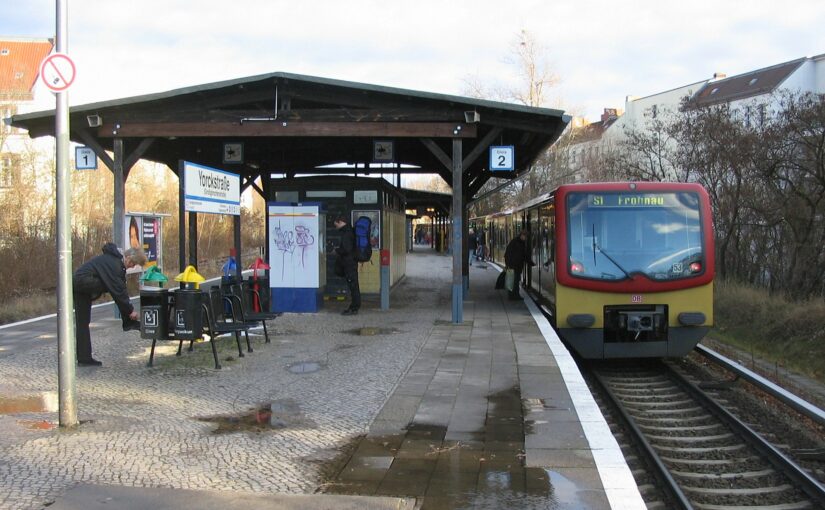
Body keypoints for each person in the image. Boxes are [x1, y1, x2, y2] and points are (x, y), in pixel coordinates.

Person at [72, 243, 147, 366]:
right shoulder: (115, 264)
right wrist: (130, 311)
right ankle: (129, 322)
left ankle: (84, 358)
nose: (132, 267)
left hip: (79, 284)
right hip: (83, 282)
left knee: (83, 323)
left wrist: (128, 310)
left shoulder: (114, 262)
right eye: (132, 263)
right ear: (128, 257)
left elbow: (120, 290)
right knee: (112, 287)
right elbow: (119, 291)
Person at [333, 216, 360, 315]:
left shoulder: (347, 233)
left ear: (341, 222)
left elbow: (346, 249)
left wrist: (337, 250)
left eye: (337, 226)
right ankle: (354, 306)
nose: (336, 228)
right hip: (351, 263)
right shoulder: (350, 231)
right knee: (354, 285)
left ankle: (354, 308)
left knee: (353, 286)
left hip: (349, 264)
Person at [504, 230, 535, 300]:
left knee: (514, 281)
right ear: (522, 235)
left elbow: (523, 255)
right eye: (525, 236)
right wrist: (508, 264)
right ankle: (514, 296)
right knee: (514, 281)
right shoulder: (516, 243)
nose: (526, 238)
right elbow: (510, 254)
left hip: (515, 265)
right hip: (513, 265)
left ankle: (514, 296)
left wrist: (530, 262)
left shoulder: (519, 242)